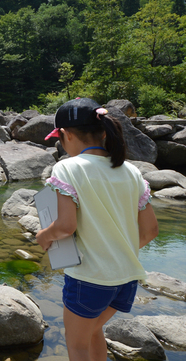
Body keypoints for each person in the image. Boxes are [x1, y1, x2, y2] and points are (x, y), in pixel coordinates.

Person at [35, 98, 159, 361]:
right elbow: (150, 231)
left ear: (66, 135)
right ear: (104, 132)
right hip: (126, 278)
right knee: (93, 331)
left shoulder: (67, 167)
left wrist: (44, 236)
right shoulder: (131, 172)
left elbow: (66, 226)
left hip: (90, 279)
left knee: (76, 343)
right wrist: (117, 250)